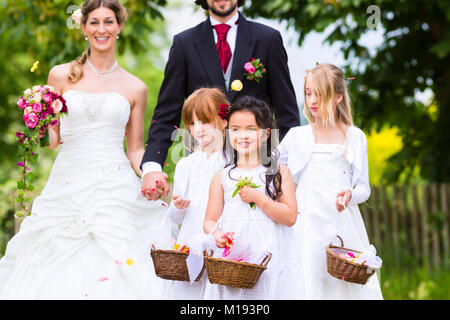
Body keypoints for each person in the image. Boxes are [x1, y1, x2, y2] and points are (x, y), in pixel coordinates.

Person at [0, 0, 171, 299]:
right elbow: (54, 142)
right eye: (94, 22)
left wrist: (151, 174)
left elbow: (134, 150)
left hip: (114, 183)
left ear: (119, 27)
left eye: (108, 22)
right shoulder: (59, 75)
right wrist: (41, 122)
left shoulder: (135, 87)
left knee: (120, 259)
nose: (101, 29)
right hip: (68, 181)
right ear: (83, 27)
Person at [141, 0, 300, 202]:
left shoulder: (267, 39)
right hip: (203, 168)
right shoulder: (184, 44)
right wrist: (152, 166)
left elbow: (288, 115)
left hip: (258, 168)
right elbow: (166, 113)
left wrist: (284, 169)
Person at [278, 63, 383, 299]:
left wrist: (350, 195)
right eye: (308, 93)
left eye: (320, 94)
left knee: (340, 283)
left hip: (340, 222)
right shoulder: (296, 136)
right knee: (307, 278)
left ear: (337, 97)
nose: (312, 100)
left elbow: (363, 187)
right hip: (304, 223)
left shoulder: (353, 136)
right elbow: (277, 177)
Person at [202, 96, 304, 300]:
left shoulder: (279, 172)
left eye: (251, 129)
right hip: (234, 260)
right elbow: (210, 220)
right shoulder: (222, 176)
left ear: (266, 133)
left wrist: (260, 198)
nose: (243, 135)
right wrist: (217, 234)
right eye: (236, 129)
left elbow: (290, 217)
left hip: (271, 256)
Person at [167, 87, 229, 299]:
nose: (199, 129)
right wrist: (178, 206)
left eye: (205, 121)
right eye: (193, 124)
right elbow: (176, 219)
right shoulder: (185, 165)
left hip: (221, 242)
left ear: (223, 121)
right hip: (191, 240)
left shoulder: (231, 163)